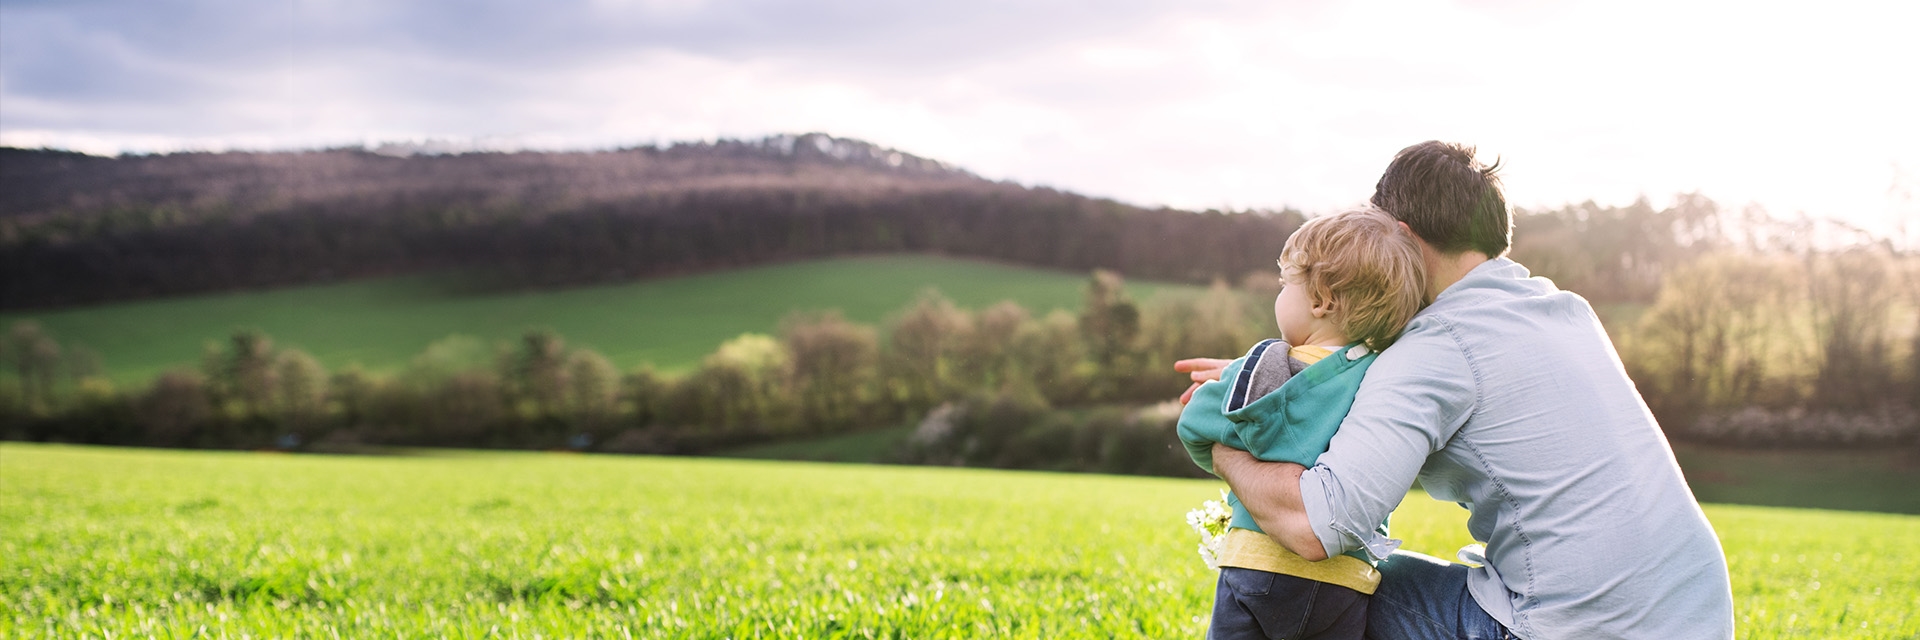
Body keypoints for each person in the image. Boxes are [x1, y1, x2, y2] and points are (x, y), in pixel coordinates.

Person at [1176, 142, 1734, 639]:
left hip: (1568, 629)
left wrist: (1225, 441)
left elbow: (1318, 526)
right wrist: (1295, 379)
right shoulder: (1562, 311)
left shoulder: (1436, 345)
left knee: (1310, 582)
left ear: (1397, 234)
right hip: (1698, 620)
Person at [1177, 207, 1427, 640]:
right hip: (1345, 579)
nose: (1279, 296)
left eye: (1284, 284)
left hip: (1256, 562)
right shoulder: (1384, 379)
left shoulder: (1261, 370)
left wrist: (1224, 448)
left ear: (1320, 301)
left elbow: (1193, 423)